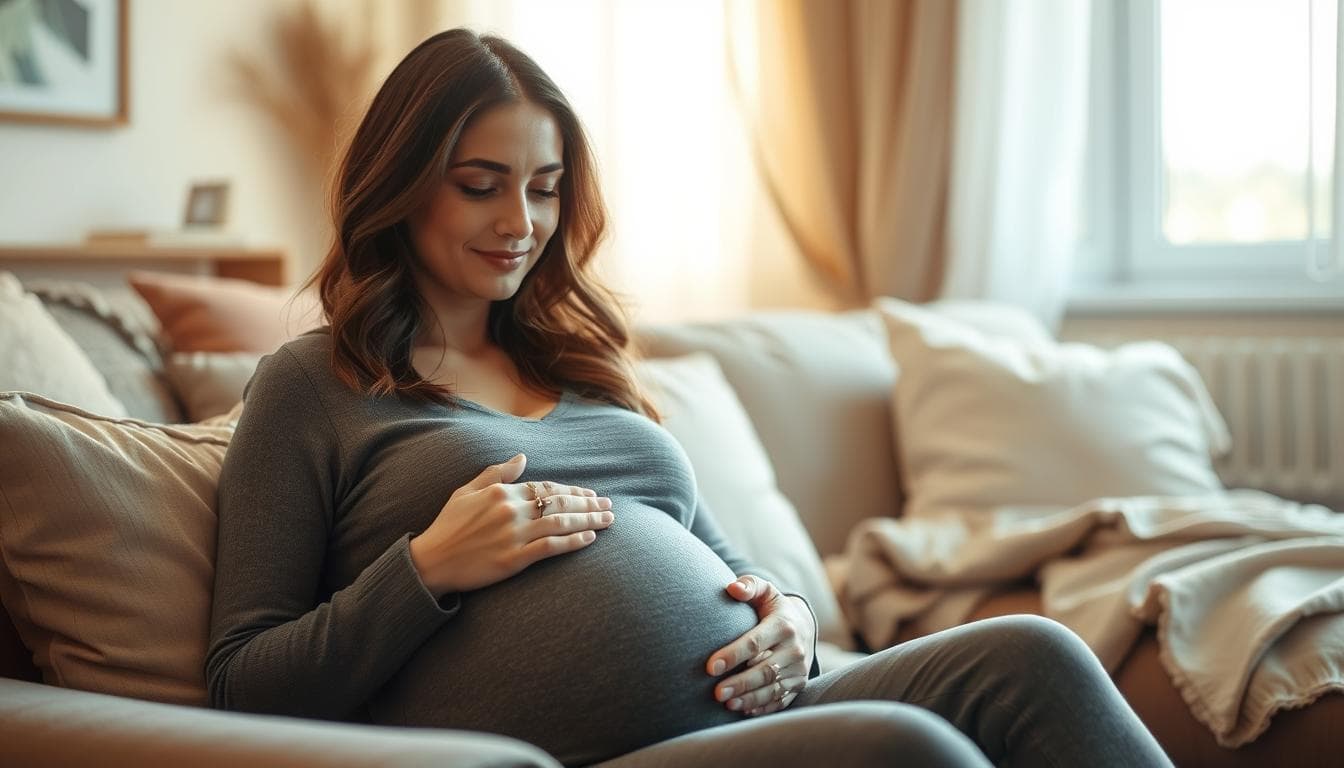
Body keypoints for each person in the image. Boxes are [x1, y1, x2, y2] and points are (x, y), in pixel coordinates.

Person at [205, 28, 1174, 768]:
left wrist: (793, 616)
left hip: (774, 701)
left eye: (544, 189)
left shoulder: (582, 365)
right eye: (480, 185)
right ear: (403, 186)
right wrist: (427, 567)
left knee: (1035, 654)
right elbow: (242, 680)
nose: (521, 222)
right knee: (905, 750)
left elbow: (735, 567)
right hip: (621, 747)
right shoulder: (315, 386)